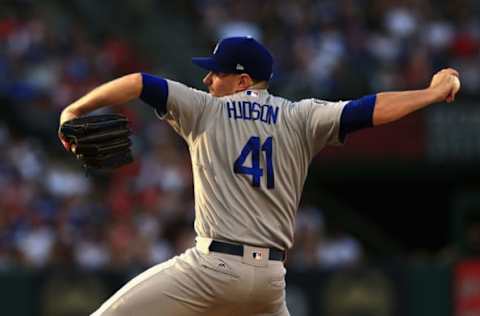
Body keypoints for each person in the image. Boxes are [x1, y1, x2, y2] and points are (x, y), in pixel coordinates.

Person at [59, 36, 460, 316]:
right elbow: (369, 108)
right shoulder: (300, 116)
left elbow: (139, 82)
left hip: (211, 269)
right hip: (268, 284)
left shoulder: (205, 109)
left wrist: (73, 111)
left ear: (242, 81)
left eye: (215, 73)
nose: (206, 80)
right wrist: (429, 93)